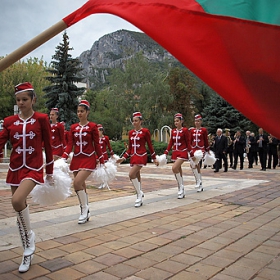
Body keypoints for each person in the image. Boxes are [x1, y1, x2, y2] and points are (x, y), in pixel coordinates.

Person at [0, 82, 54, 273]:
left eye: (25, 99)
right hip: (15, 168)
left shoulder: (41, 119)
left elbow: (48, 146)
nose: (21, 103)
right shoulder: (9, 121)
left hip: (33, 167)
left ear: (33, 100)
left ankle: (29, 241)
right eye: (18, 100)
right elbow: (1, 143)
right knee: (18, 207)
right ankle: (27, 249)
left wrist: (50, 172)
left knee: (17, 200)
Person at [62, 100, 104, 224]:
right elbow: (70, 144)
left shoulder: (92, 127)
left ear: (87, 112)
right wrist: (64, 156)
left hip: (89, 158)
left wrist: (101, 160)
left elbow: (97, 144)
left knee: (77, 183)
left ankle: (84, 209)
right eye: (78, 111)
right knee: (81, 185)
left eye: (82, 111)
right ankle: (85, 210)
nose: (79, 113)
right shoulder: (74, 127)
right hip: (76, 159)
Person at [116, 112, 158, 207]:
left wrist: (154, 158)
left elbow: (150, 145)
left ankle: (139, 194)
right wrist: (123, 158)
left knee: (131, 174)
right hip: (134, 156)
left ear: (141, 121)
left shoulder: (145, 132)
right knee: (137, 175)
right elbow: (130, 149)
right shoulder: (131, 133)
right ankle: (139, 192)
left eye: (136, 121)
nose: (134, 123)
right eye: (133, 121)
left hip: (142, 156)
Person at [164, 113, 191, 199]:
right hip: (175, 152)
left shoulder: (185, 130)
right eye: (175, 121)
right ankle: (181, 188)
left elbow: (188, 142)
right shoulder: (173, 131)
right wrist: (166, 151)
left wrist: (191, 153)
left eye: (177, 121)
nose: (176, 122)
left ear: (181, 121)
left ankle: (181, 187)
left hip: (183, 152)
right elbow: (171, 142)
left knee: (174, 168)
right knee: (178, 170)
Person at [189, 114, 210, 192]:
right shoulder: (192, 130)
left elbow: (206, 140)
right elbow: (190, 141)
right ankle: (199, 181)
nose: (197, 122)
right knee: (193, 165)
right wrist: (189, 149)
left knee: (196, 164)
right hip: (194, 149)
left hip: (201, 149)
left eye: (198, 121)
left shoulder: (203, 130)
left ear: (201, 121)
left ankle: (199, 182)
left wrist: (208, 150)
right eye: (195, 121)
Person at [97, 124, 114, 188]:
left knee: (104, 169)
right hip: (98, 156)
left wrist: (112, 154)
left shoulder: (105, 138)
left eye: (98, 131)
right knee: (99, 169)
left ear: (101, 131)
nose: (98, 132)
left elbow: (109, 146)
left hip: (104, 155)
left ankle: (105, 182)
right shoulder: (96, 139)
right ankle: (101, 182)